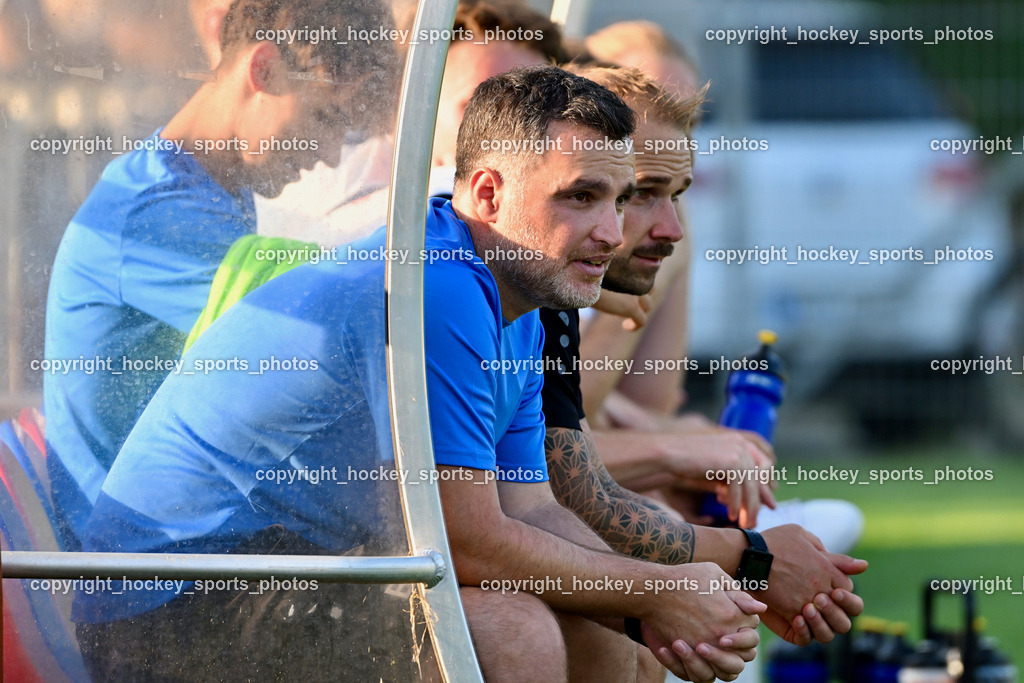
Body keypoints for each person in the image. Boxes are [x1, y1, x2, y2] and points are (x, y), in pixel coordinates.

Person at [77, 65, 764, 682]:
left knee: (607, 641)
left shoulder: (519, 293)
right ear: (488, 193)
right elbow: (467, 545)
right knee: (511, 630)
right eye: (581, 197)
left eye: (619, 199)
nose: (615, 234)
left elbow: (533, 509)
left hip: (290, 569)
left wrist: (653, 605)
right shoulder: (440, 284)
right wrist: (657, 592)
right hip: (168, 605)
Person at [43, 0, 397, 549]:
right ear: (263, 70)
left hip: (214, 534)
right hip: (161, 565)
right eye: (326, 120)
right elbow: (336, 309)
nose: (329, 154)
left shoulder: (208, 193)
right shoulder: (148, 212)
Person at [540, 65, 867, 657]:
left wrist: (676, 594)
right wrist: (748, 560)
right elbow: (509, 512)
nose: (673, 230)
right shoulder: (482, 282)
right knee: (529, 631)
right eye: (640, 192)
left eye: (678, 196)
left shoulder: (554, 297)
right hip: (373, 570)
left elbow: (573, 477)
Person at [578, 22, 864, 552]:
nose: (668, 127)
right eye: (639, 95)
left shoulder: (668, 229)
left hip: (583, 480)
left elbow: (643, 401)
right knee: (679, 542)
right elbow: (557, 439)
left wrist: (672, 441)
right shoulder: (520, 253)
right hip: (547, 511)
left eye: (683, 112)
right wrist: (671, 450)